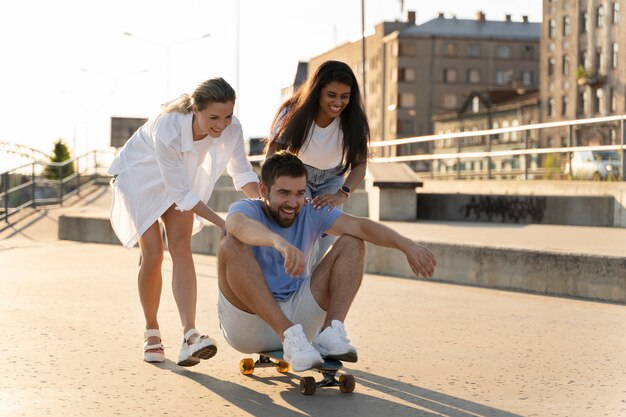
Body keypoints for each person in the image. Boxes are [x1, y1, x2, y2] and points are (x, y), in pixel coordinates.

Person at [217, 151, 436, 371]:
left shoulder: (310, 211)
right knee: (229, 244)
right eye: (284, 193)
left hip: (300, 322)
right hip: (247, 324)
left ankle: (330, 332)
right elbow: (236, 225)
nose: (293, 203)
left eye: (300, 193)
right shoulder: (246, 209)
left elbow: (361, 226)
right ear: (263, 190)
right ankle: (288, 335)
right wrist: (277, 241)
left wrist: (407, 245)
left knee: (353, 242)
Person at [107, 77, 259, 366]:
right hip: (139, 178)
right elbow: (182, 194)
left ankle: (190, 336)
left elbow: (242, 174)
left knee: (181, 248)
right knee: (152, 253)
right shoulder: (168, 127)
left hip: (181, 176)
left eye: (227, 116)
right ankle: (151, 333)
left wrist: (264, 205)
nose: (221, 124)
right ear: (195, 110)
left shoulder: (232, 128)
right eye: (213, 117)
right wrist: (225, 224)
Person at [265, 60, 370, 265]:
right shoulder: (292, 111)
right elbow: (272, 150)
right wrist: (272, 188)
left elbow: (360, 165)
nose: (338, 102)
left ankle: (307, 289)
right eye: (331, 95)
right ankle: (293, 287)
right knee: (306, 238)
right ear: (317, 92)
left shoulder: (355, 120)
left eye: (344, 96)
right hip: (299, 176)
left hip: (332, 180)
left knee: (324, 240)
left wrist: (342, 194)